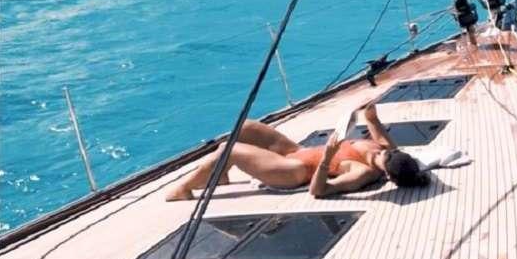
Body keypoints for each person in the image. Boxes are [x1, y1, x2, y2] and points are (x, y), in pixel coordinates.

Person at [165, 104, 429, 201]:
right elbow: (374, 123)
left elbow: (319, 191)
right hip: (299, 152)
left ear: (387, 174)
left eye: (386, 158)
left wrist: (327, 157)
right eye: (389, 153)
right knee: (244, 127)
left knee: (228, 149)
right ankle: (219, 175)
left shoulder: (362, 172)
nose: (384, 154)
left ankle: (183, 190)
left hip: (295, 171)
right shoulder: (386, 151)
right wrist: (368, 113)